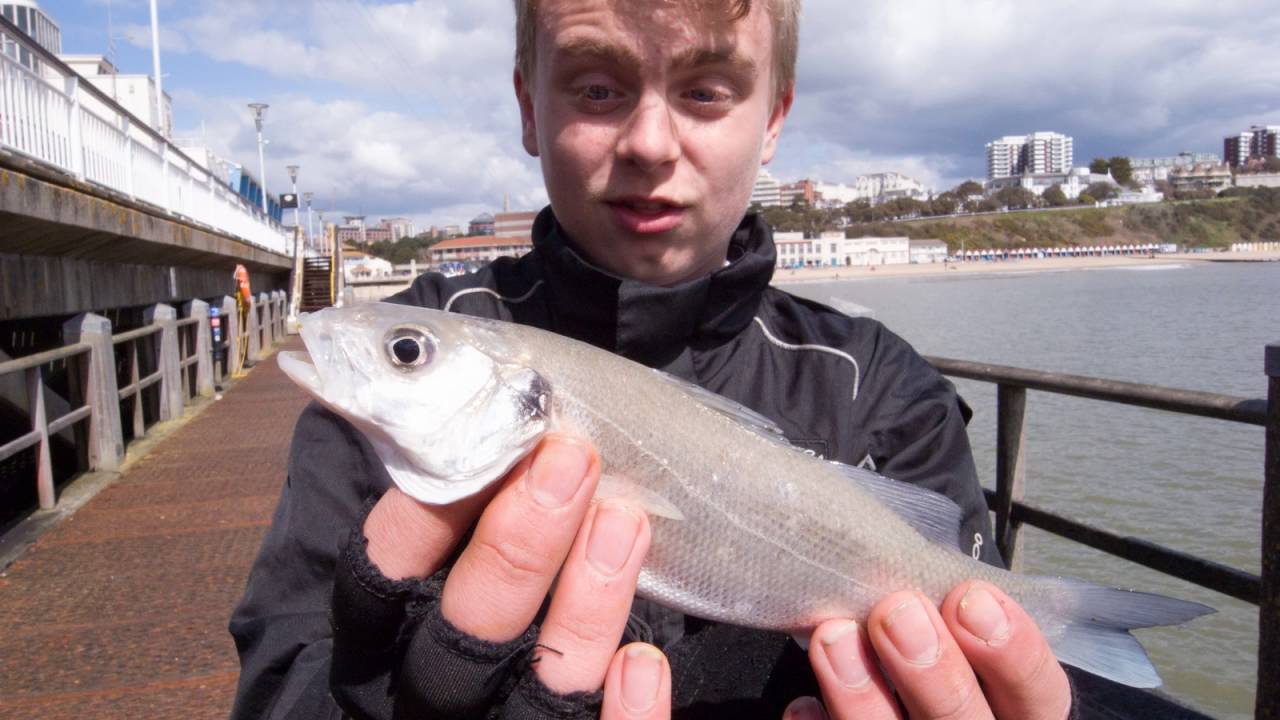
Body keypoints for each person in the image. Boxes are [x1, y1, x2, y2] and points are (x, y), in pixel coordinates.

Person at [229, 1, 1075, 717]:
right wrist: (375, 698)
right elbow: (282, 665)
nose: (649, 143)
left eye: (706, 91)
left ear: (774, 116)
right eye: (597, 87)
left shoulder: (880, 389)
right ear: (529, 105)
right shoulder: (385, 392)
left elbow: (984, 644)